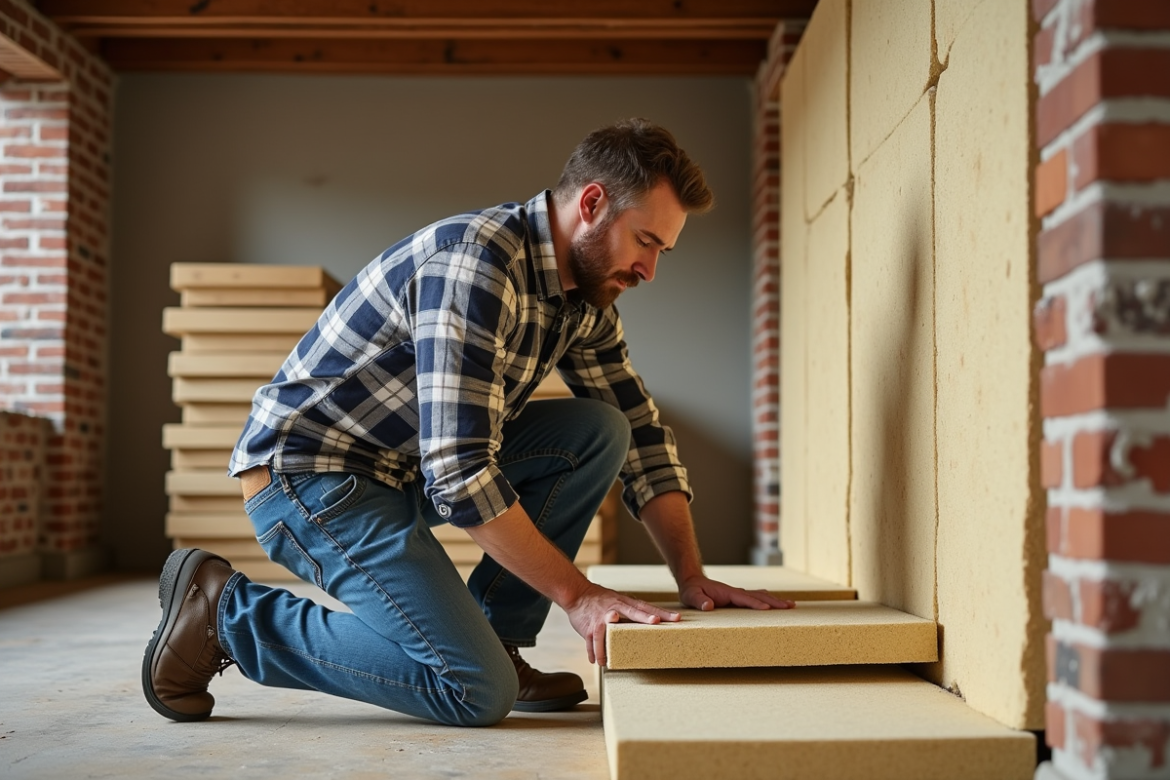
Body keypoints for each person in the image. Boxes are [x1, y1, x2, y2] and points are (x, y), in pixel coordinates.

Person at [142, 118, 794, 727]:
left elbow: (641, 435)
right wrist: (578, 595)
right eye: (646, 241)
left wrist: (691, 576)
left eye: (663, 251)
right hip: (311, 478)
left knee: (600, 431)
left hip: (397, 474)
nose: (649, 270)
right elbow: (458, 474)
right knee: (474, 690)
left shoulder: (584, 304)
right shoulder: (476, 262)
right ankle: (226, 615)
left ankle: (494, 637)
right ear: (592, 203)